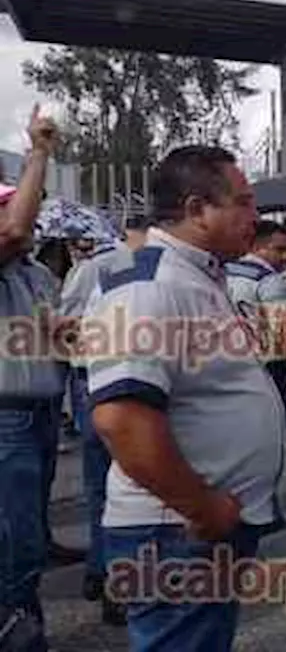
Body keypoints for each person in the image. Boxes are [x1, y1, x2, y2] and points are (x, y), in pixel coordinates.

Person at [87, 145, 286, 652]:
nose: (255, 216)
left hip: (193, 532)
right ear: (197, 209)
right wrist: (203, 508)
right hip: (176, 534)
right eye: (242, 202)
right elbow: (120, 418)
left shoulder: (199, 275)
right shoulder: (149, 285)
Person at [58, 213, 150, 626]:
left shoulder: (104, 269)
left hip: (95, 378)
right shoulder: (119, 269)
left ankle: (103, 570)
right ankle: (114, 578)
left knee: (103, 486)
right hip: (115, 384)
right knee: (124, 487)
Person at [0, 106, 66, 652]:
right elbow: (16, 229)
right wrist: (39, 151)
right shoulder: (8, 251)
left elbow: (54, 334)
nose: (24, 215)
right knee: (14, 540)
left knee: (27, 538)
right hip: (7, 420)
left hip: (42, 416)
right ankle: (18, 633)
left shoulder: (40, 273)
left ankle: (25, 623)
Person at [225, 220, 286, 432]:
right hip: (267, 366)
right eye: (279, 250)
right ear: (258, 247)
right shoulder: (269, 280)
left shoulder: (224, 272)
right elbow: (282, 329)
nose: (285, 257)